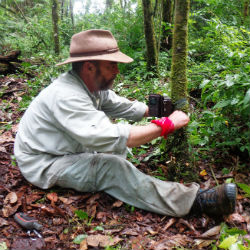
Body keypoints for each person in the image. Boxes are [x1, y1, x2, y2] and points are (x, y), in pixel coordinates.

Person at [14, 29, 236, 217]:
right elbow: (113, 137)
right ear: (90, 67)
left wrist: (158, 110)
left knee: (117, 155)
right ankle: (193, 202)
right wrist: (167, 124)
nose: (117, 71)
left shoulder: (90, 86)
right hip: (45, 162)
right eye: (112, 64)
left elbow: (123, 106)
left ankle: (136, 186)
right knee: (112, 166)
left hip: (66, 148)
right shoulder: (66, 96)